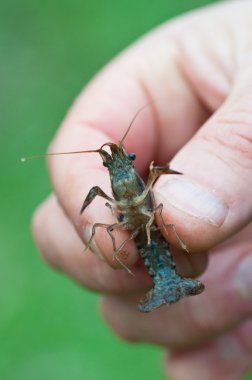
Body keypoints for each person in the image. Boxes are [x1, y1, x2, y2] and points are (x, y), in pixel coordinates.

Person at [32, 1, 252, 379]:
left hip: (153, 226)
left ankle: (168, 279)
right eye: (111, 164)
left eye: (123, 159)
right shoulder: (110, 189)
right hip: (143, 235)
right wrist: (95, 231)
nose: (117, 163)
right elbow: (102, 215)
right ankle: (163, 280)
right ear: (108, 173)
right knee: (101, 234)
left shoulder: (142, 175)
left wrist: (201, 185)